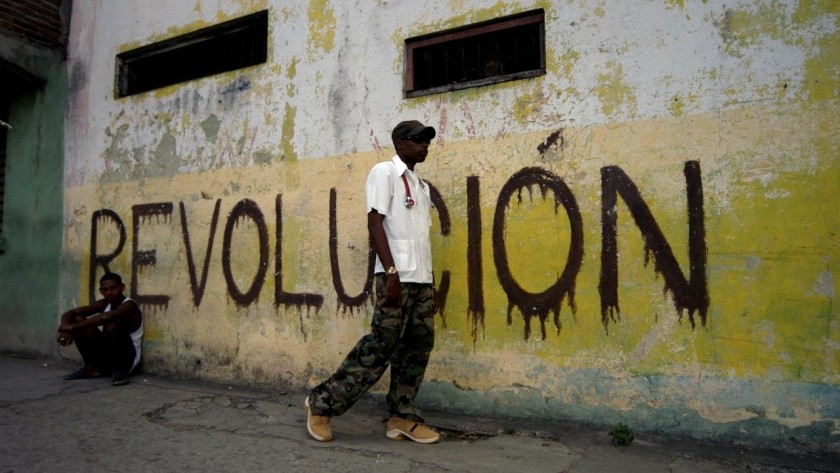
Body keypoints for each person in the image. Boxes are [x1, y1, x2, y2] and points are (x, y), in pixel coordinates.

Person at [305, 120, 441, 444]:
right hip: (396, 277)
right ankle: (322, 404)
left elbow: (418, 238)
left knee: (417, 346)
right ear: (400, 143)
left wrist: (428, 283)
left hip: (420, 280)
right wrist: (391, 274)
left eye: (427, 140)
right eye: (417, 139)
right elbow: (375, 223)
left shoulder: (421, 186)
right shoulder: (384, 173)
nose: (424, 144)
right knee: (381, 345)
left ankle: (402, 416)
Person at [57, 272, 143, 386]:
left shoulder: (130, 305)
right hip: (107, 358)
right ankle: (90, 368)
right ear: (101, 291)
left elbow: (106, 317)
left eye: (113, 288)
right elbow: (72, 313)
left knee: (110, 324)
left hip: (127, 361)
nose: (109, 292)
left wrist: (71, 328)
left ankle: (119, 373)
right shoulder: (104, 304)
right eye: (105, 289)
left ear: (122, 287)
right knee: (78, 319)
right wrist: (64, 327)